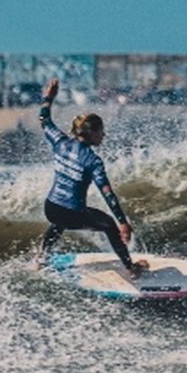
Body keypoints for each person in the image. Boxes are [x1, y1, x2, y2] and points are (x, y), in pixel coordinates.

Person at [37, 77, 147, 277]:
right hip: (72, 213)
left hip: (51, 208)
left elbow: (44, 119)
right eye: (101, 131)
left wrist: (48, 97)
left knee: (58, 222)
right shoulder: (92, 160)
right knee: (108, 225)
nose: (103, 135)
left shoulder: (59, 142)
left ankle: (41, 258)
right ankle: (131, 268)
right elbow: (108, 194)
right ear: (92, 133)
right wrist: (122, 222)